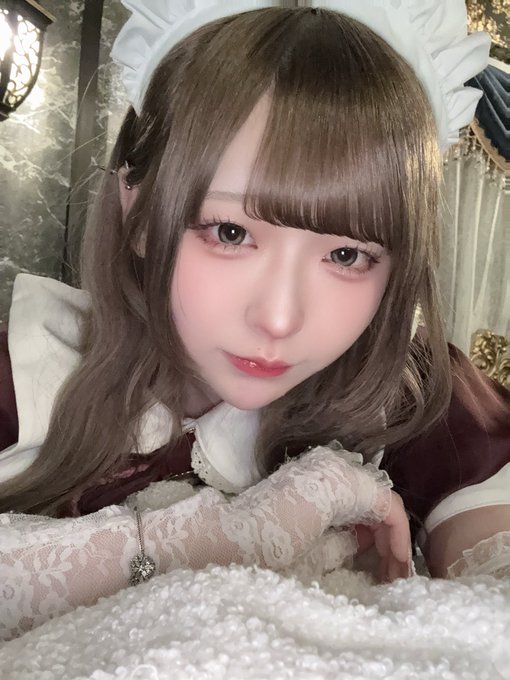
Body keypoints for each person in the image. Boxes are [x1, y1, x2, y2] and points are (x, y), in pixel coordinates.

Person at [0, 0, 508, 640]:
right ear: (139, 213)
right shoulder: (24, 378)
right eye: (231, 232)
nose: (279, 318)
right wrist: (238, 533)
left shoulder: (417, 393)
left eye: (347, 255)